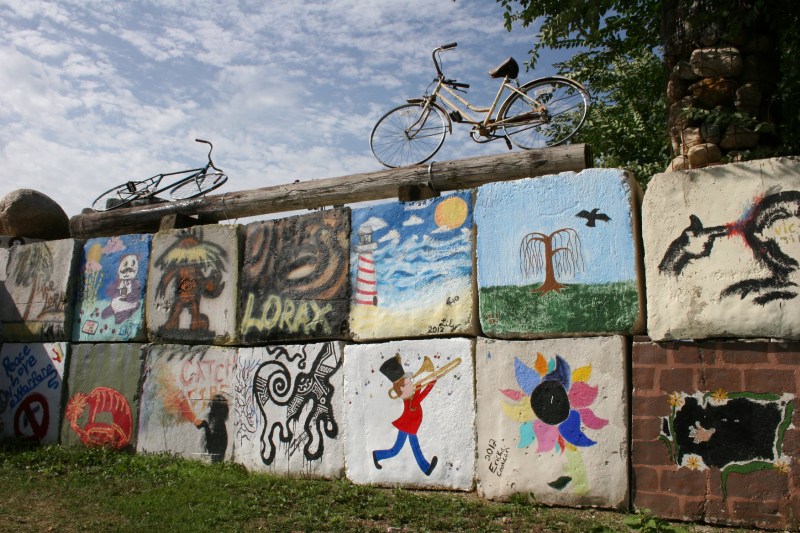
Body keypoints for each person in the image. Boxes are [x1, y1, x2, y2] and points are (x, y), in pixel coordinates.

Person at [372, 354, 438, 476]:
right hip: (408, 425)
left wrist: (420, 384)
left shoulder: (410, 397)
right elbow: (422, 395)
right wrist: (432, 382)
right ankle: (426, 468)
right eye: (408, 384)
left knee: (398, 449)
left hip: (409, 425)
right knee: (411, 448)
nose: (411, 384)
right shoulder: (411, 400)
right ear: (402, 389)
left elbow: (418, 392)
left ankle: (377, 455)